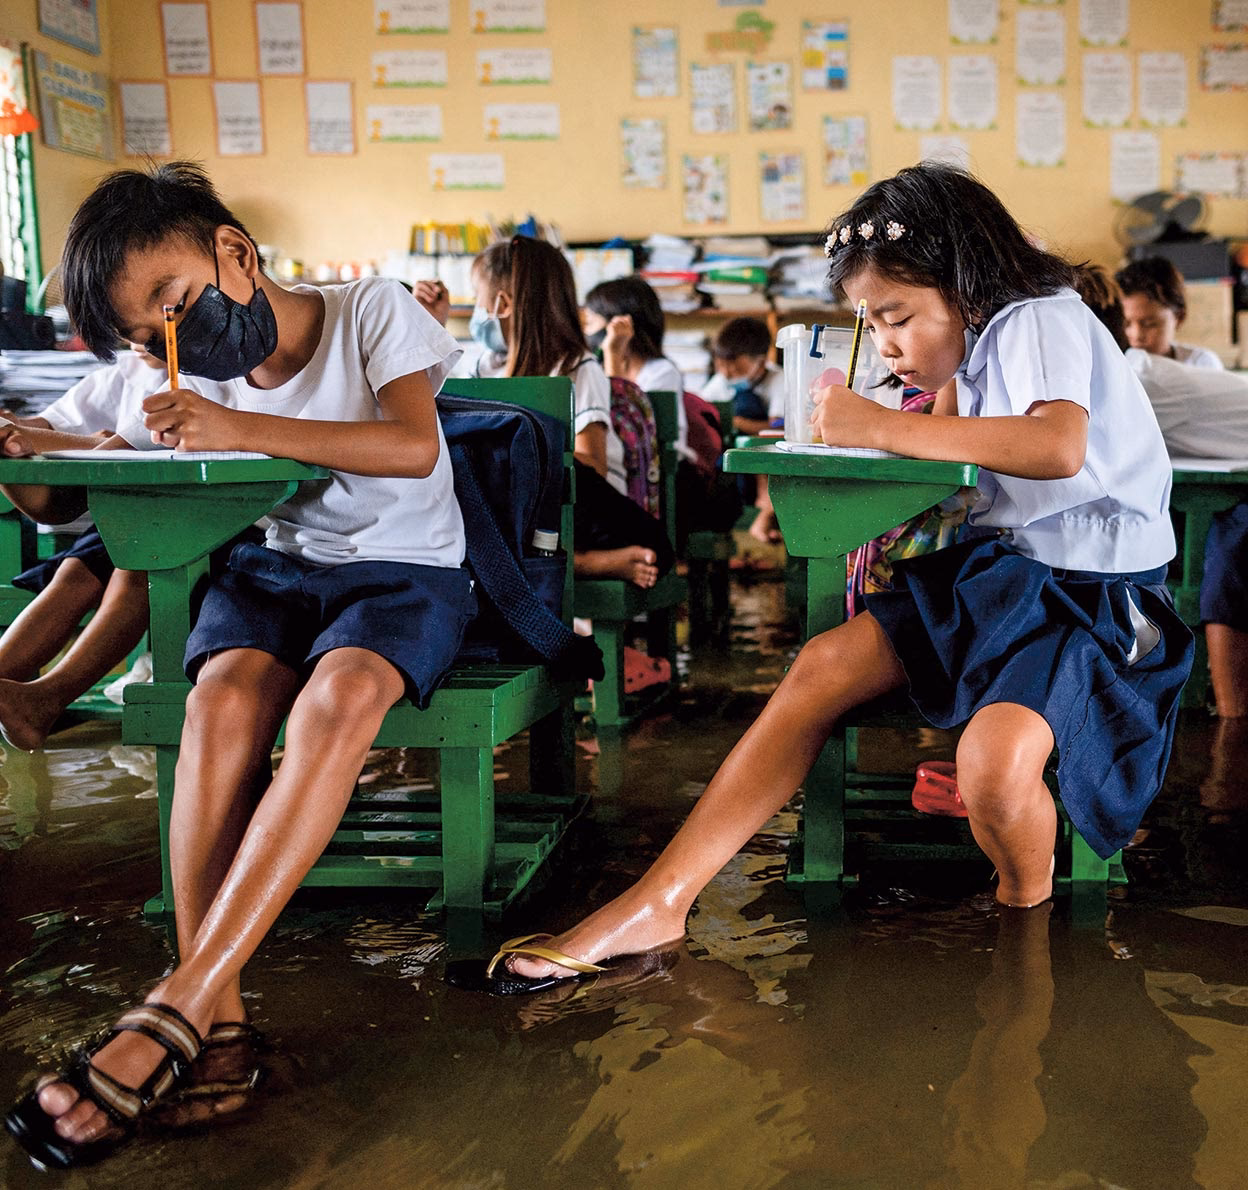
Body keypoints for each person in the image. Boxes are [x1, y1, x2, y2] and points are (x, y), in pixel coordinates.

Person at [453, 162, 1193, 994]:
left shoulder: (1037, 316)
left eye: (896, 316)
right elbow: (956, 444)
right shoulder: (982, 345)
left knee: (992, 763)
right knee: (820, 667)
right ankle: (661, 897)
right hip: (1009, 580)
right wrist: (902, 406)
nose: (884, 341)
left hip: (1095, 598)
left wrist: (876, 420)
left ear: (963, 278)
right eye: (870, 322)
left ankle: (1024, 903)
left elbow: (1056, 449)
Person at [4, 160, 477, 1169]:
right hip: (276, 573)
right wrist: (21, 451)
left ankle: (175, 1004)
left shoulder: (370, 311)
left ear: (234, 250)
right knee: (216, 701)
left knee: (339, 698)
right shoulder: (176, 372)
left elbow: (412, 446)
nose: (167, 341)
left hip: (403, 574)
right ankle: (214, 1018)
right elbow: (65, 497)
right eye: (143, 334)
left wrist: (240, 425)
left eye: (174, 304)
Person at [468, 236, 674, 589]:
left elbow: (592, 466)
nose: (476, 310)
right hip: (519, 518)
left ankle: (580, 561)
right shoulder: (483, 368)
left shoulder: (578, 367)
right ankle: (571, 563)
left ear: (501, 304)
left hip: (578, 516)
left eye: (477, 299)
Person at [0, 345, 167, 750]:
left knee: (136, 568)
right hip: (129, 519)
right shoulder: (124, 375)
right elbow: (39, 427)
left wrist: (41, 438)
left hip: (209, 527)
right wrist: (15, 431)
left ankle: (46, 698)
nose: (138, 341)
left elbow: (117, 447)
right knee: (74, 572)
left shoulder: (216, 375)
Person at [583, 275, 691, 460]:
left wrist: (613, 354)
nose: (586, 332)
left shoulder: (661, 372)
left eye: (590, 323)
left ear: (619, 325)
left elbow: (627, 432)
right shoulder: (595, 369)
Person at [701, 317, 786, 544]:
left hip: (768, 469)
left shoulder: (779, 380)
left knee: (748, 404)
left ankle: (766, 504)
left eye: (735, 366)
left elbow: (778, 427)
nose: (726, 373)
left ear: (760, 361)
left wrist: (736, 422)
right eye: (720, 365)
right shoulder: (719, 383)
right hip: (729, 470)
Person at [1115, 256, 1224, 370]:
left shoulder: (1202, 364)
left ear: (1179, 317)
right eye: (1126, 324)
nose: (1137, 336)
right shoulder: (1117, 367)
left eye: (1149, 324)